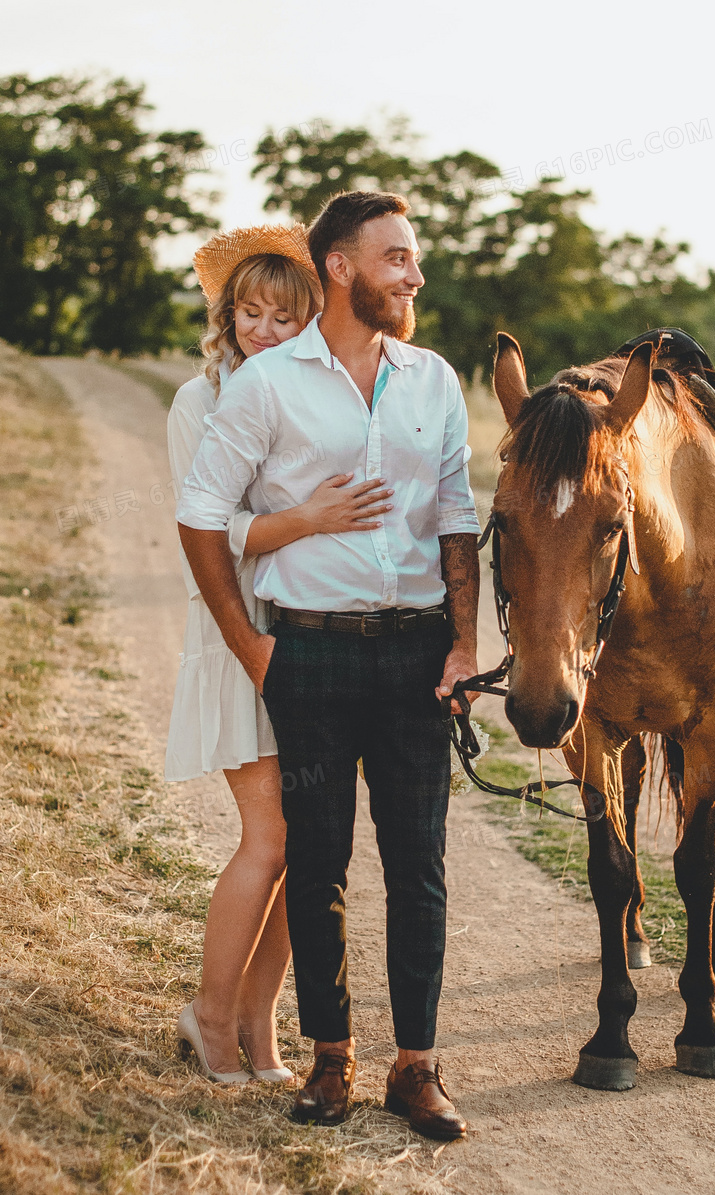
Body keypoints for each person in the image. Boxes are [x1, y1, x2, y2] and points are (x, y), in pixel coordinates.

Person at [176, 191, 481, 1139]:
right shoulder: (263, 386)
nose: (415, 275)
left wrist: (467, 643)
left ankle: (418, 1065)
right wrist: (252, 645)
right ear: (343, 267)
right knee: (314, 862)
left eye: (414, 259)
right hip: (303, 648)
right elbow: (201, 515)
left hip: (417, 649)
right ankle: (327, 1061)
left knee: (419, 866)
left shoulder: (434, 379)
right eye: (397, 257)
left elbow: (459, 519)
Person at [167, 223, 393, 1083]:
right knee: (270, 837)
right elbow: (208, 532)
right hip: (239, 632)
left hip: (311, 634)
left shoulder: (314, 398)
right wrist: (308, 520)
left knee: (312, 844)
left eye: (282, 314)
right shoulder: (203, 400)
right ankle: (210, 1015)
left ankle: (261, 1025)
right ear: (228, 317)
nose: (262, 328)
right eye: (248, 311)